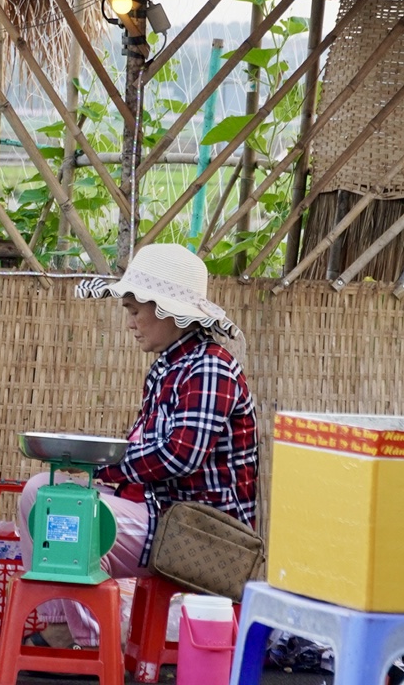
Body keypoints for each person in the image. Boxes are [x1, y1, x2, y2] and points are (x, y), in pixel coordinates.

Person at [15, 242, 258, 647]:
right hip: (164, 516)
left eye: (134, 310)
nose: (130, 322)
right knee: (38, 493)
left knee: (73, 515)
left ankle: (92, 641)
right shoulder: (169, 367)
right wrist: (95, 468)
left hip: (202, 533)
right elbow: (143, 450)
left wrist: (100, 468)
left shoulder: (210, 367)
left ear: (169, 312)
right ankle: (61, 624)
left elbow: (178, 456)